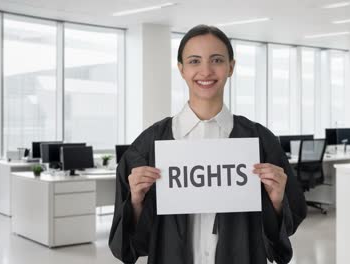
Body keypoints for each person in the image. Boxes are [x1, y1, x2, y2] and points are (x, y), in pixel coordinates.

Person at [109, 24, 307, 264]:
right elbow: (130, 246)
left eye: (216, 60)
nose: (205, 71)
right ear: (181, 69)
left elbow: (281, 236)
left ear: (231, 67)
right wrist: (136, 202)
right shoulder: (149, 145)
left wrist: (276, 201)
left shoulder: (259, 141)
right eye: (194, 61)